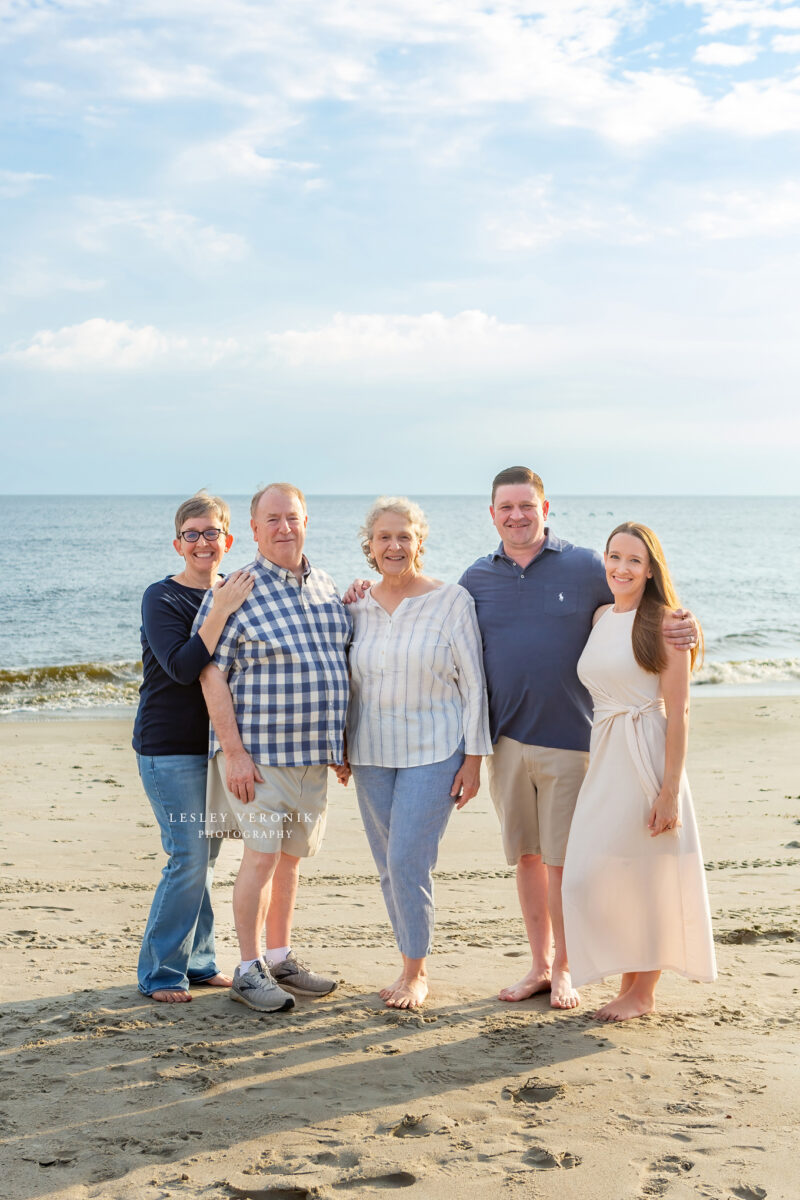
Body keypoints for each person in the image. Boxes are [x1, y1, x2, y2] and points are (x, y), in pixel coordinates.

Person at [196, 482, 350, 1014]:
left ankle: (280, 957)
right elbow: (210, 672)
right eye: (273, 520)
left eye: (293, 517)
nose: (285, 527)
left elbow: (339, 661)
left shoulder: (326, 583)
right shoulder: (236, 589)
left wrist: (341, 741)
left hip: (313, 757)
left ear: (306, 519)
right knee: (260, 857)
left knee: (290, 860)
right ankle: (246, 968)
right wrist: (232, 751)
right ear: (255, 530)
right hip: (259, 758)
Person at [561, 523, 716, 1020]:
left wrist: (669, 790)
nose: (620, 568)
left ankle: (641, 991)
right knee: (594, 872)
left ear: (650, 570)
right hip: (605, 753)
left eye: (633, 560)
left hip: (646, 754)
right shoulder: (602, 615)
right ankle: (630, 979)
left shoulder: (667, 622)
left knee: (645, 869)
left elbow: (679, 710)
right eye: (614, 557)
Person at [344, 497, 492, 1009]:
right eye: (384, 537)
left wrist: (475, 758)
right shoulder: (354, 606)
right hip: (370, 752)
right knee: (388, 863)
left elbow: (474, 683)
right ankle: (408, 956)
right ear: (370, 545)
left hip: (436, 750)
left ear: (419, 543)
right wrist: (339, 745)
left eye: (404, 536)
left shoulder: (452, 600)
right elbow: (346, 684)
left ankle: (416, 971)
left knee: (409, 858)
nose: (394, 545)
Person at [133, 491, 254, 1002]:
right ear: (178, 543)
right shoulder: (161, 597)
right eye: (192, 534)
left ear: (227, 540)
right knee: (187, 857)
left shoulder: (235, 592)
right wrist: (220, 609)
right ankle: (160, 972)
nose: (202, 542)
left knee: (203, 858)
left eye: (212, 533)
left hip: (215, 748)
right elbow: (182, 666)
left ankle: (201, 963)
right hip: (167, 747)